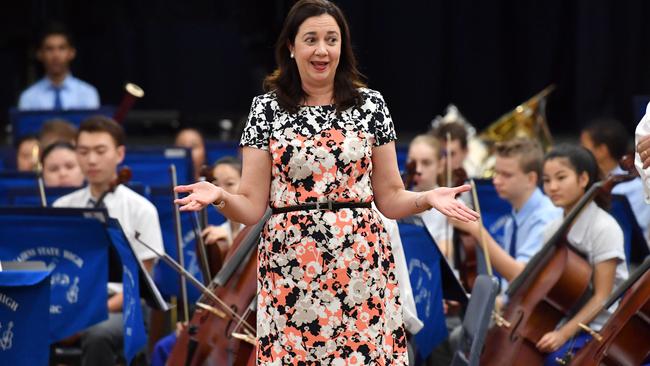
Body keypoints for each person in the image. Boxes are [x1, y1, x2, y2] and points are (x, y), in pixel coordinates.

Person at [173, 1, 479, 364]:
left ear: (342, 47)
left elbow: (391, 197)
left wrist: (427, 197)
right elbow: (253, 205)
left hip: (361, 262)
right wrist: (221, 195)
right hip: (291, 263)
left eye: (332, 40)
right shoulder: (265, 110)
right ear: (291, 46)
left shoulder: (371, 106)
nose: (322, 50)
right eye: (311, 39)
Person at [53, 115, 164, 366]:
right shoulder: (62, 207)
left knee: (99, 333)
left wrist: (86, 317)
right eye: (83, 151)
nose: (91, 160)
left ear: (119, 154)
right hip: (72, 301)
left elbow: (138, 284)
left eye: (100, 151)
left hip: (122, 306)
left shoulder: (142, 209)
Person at [536, 144, 628, 364]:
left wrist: (563, 334)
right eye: (547, 180)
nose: (552, 187)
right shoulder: (551, 230)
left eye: (561, 178)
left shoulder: (604, 227)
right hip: (564, 319)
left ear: (583, 179)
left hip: (600, 327)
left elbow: (602, 297)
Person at [451, 138, 561, 292]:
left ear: (531, 179)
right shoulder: (513, 218)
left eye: (506, 175)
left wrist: (476, 230)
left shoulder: (546, 217)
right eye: (496, 173)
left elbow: (520, 275)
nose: (496, 181)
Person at [581, 119, 650, 240]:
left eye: (584, 147)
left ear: (602, 150)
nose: (579, 151)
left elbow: (631, 229)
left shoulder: (634, 187)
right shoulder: (591, 179)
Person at [18, 24, 100, 110]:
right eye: (49, 49)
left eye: (62, 48)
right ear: (40, 54)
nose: (56, 55)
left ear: (72, 53)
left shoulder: (87, 93)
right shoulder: (29, 97)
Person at [406, 134, 453, 257]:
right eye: (413, 162)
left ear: (441, 165)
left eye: (426, 163)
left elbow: (444, 253)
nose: (418, 170)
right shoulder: (396, 199)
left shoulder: (450, 202)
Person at [201, 156, 244, 246]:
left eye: (229, 183)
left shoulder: (261, 230)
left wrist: (230, 240)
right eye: (216, 185)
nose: (220, 192)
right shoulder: (220, 232)